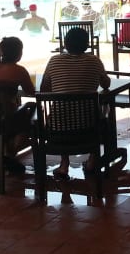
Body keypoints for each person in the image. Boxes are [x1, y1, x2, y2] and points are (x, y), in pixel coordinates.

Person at [39, 27, 111, 180]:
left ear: (65, 44)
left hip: (57, 131)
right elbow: (106, 84)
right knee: (104, 110)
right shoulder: (94, 61)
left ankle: (64, 164)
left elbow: (44, 89)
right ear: (87, 44)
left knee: (61, 112)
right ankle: (92, 160)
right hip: (89, 128)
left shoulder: (54, 61)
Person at [0, 37, 35, 174]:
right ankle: (10, 154)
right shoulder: (19, 70)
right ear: (18, 53)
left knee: (11, 111)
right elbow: (31, 92)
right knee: (31, 111)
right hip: (4, 121)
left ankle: (6, 154)